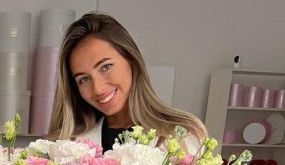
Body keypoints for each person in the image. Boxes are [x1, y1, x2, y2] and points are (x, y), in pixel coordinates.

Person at [48, 12, 206, 153]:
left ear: (131, 60)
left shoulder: (181, 136)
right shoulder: (66, 145)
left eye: (106, 67)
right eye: (83, 79)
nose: (98, 89)